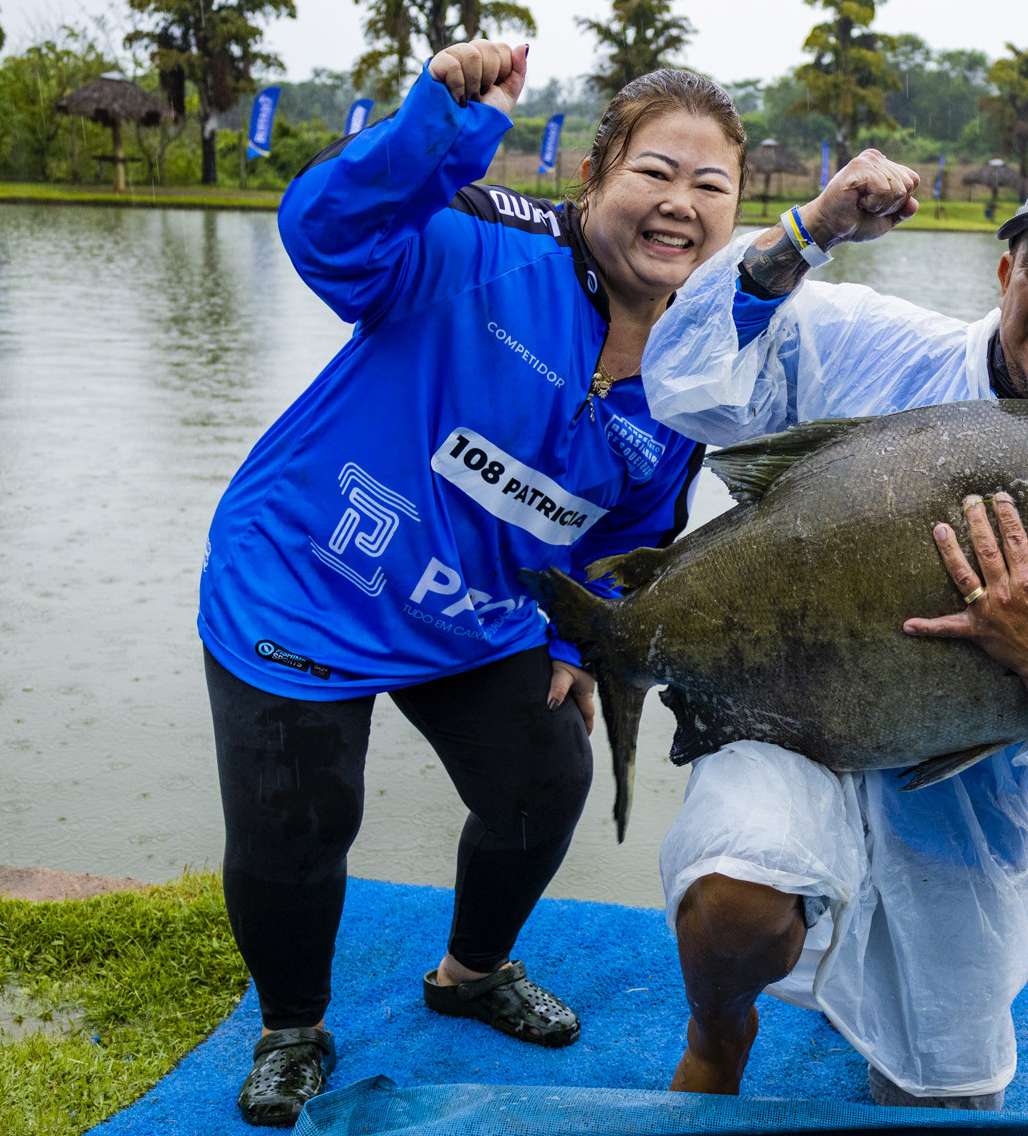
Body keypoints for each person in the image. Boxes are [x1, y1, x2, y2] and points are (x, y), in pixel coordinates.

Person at [198, 40, 747, 1126]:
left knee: (547, 776)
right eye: (654, 170)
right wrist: (432, 131)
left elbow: (634, 524)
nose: (679, 202)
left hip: (477, 618)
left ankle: (471, 971)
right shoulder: (477, 240)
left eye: (710, 184)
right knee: (301, 821)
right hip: (307, 579)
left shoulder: (701, 365)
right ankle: (292, 1023)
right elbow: (324, 232)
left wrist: (573, 639)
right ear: (593, 179)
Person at [639, 155, 1028, 1108]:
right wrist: (806, 232)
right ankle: (718, 1033)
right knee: (736, 899)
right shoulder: (878, 347)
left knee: (945, 1093)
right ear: (1005, 276)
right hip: (795, 710)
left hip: (961, 782)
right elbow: (686, 380)